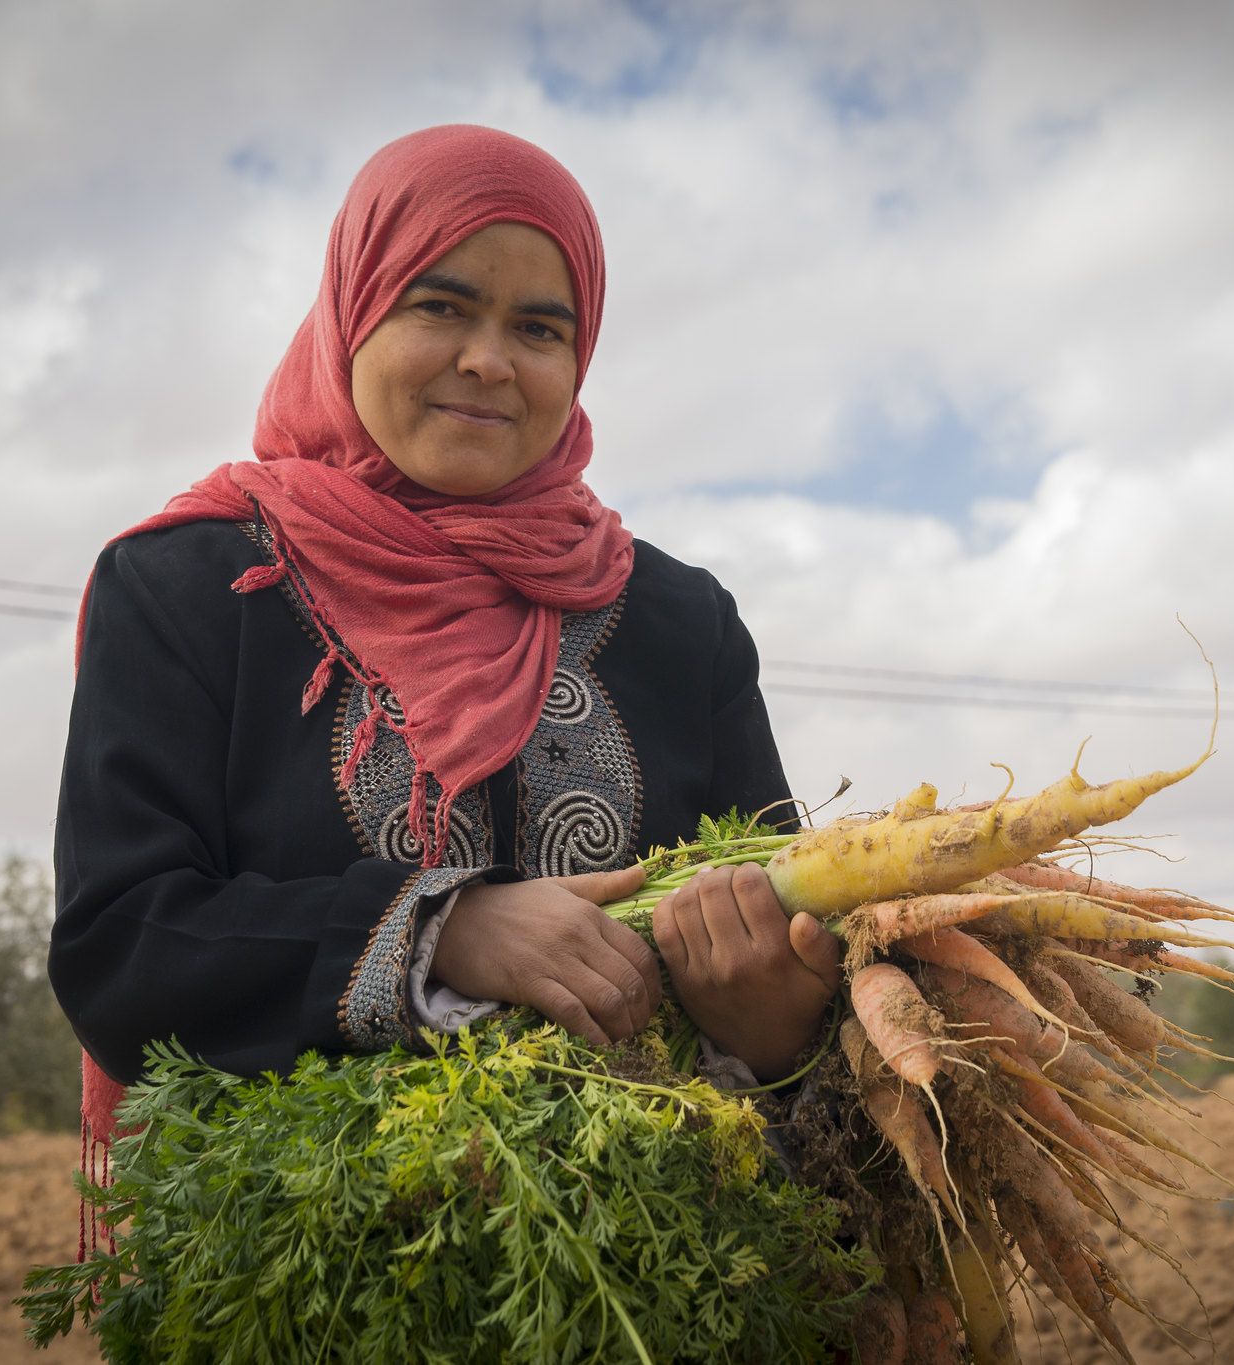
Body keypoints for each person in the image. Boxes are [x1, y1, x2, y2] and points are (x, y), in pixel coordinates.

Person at [50, 126, 842, 1145]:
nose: (487, 362)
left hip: (655, 1280)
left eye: (539, 330)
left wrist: (773, 1026)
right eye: (441, 306)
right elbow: (122, 948)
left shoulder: (680, 623)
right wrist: (442, 929)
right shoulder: (189, 588)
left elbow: (781, 940)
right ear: (354, 310)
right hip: (310, 1289)